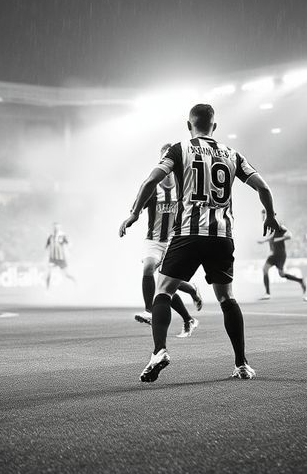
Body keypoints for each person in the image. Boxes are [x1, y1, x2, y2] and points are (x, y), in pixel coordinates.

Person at [119, 103, 279, 382]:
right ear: (214, 126)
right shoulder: (232, 154)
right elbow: (263, 187)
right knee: (227, 298)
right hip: (221, 236)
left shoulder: (180, 149)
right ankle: (241, 364)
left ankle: (159, 351)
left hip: (188, 234)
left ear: (188, 124)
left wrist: (134, 213)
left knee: (163, 292)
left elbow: (150, 181)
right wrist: (272, 218)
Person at [134, 143, 203, 338]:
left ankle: (188, 317)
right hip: (154, 240)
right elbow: (138, 206)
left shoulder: (184, 187)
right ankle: (149, 311)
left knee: (165, 286)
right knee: (148, 269)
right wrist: (133, 215)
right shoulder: (152, 187)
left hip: (174, 240)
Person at [256, 210, 305, 299]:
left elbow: (290, 235)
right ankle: (267, 293)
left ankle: (300, 280)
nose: (263, 218)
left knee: (281, 274)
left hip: (280, 254)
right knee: (265, 269)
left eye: (264, 216)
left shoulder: (279, 226)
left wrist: (279, 239)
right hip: (273, 254)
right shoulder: (269, 227)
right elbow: (271, 238)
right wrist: (264, 241)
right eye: (262, 216)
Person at [45, 222, 76, 288]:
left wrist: (70, 252)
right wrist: (47, 254)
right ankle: (47, 290)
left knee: (66, 274)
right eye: (54, 227)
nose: (56, 228)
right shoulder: (51, 236)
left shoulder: (63, 235)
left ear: (59, 227)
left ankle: (75, 282)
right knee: (48, 273)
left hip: (61, 259)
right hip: (52, 259)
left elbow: (69, 244)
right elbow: (47, 246)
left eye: (57, 227)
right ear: (53, 227)